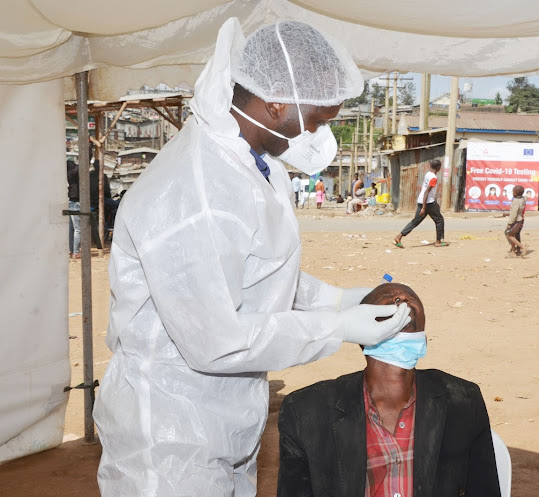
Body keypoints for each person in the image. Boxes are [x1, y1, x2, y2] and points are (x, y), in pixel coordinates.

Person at [94, 19, 413, 497]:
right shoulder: (196, 188)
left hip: (223, 417)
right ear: (276, 102)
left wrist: (339, 300)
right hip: (170, 428)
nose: (319, 135)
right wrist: (339, 328)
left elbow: (260, 271)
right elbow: (216, 341)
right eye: (319, 120)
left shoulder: (254, 163)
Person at [277, 283, 501, 497]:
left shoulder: (462, 400)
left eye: (411, 298)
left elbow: (484, 488)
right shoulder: (307, 412)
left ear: (424, 337)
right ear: (361, 333)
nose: (403, 299)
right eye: (389, 297)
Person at [393, 159, 447, 248]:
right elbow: (426, 192)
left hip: (422, 201)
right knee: (439, 220)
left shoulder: (428, 174)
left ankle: (399, 237)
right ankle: (438, 241)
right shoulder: (433, 178)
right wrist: (424, 208)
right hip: (427, 203)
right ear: (438, 167)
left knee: (415, 221)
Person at [505, 185, 527, 258]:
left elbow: (514, 214)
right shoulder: (523, 199)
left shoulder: (516, 201)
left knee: (509, 235)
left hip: (516, 221)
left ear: (514, 193)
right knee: (514, 235)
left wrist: (510, 223)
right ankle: (513, 252)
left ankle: (522, 247)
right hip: (521, 220)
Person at [67, 160, 81, 259]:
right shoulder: (73, 173)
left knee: (71, 229)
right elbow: (81, 166)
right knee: (78, 229)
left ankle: (72, 250)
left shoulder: (68, 174)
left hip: (71, 202)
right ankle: (76, 251)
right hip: (76, 203)